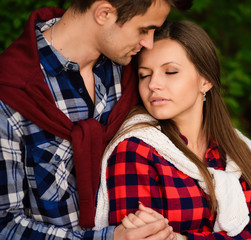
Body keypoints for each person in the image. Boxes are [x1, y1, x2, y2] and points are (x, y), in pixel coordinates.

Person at [0, 0, 193, 239]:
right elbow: (5, 224)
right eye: (143, 30)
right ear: (104, 13)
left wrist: (243, 162)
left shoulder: (135, 70)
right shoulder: (10, 94)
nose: (148, 43)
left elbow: (189, 119)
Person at [95, 21, 251, 239]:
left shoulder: (233, 149)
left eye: (170, 72)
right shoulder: (136, 150)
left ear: (205, 80)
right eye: (144, 75)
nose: (153, 84)